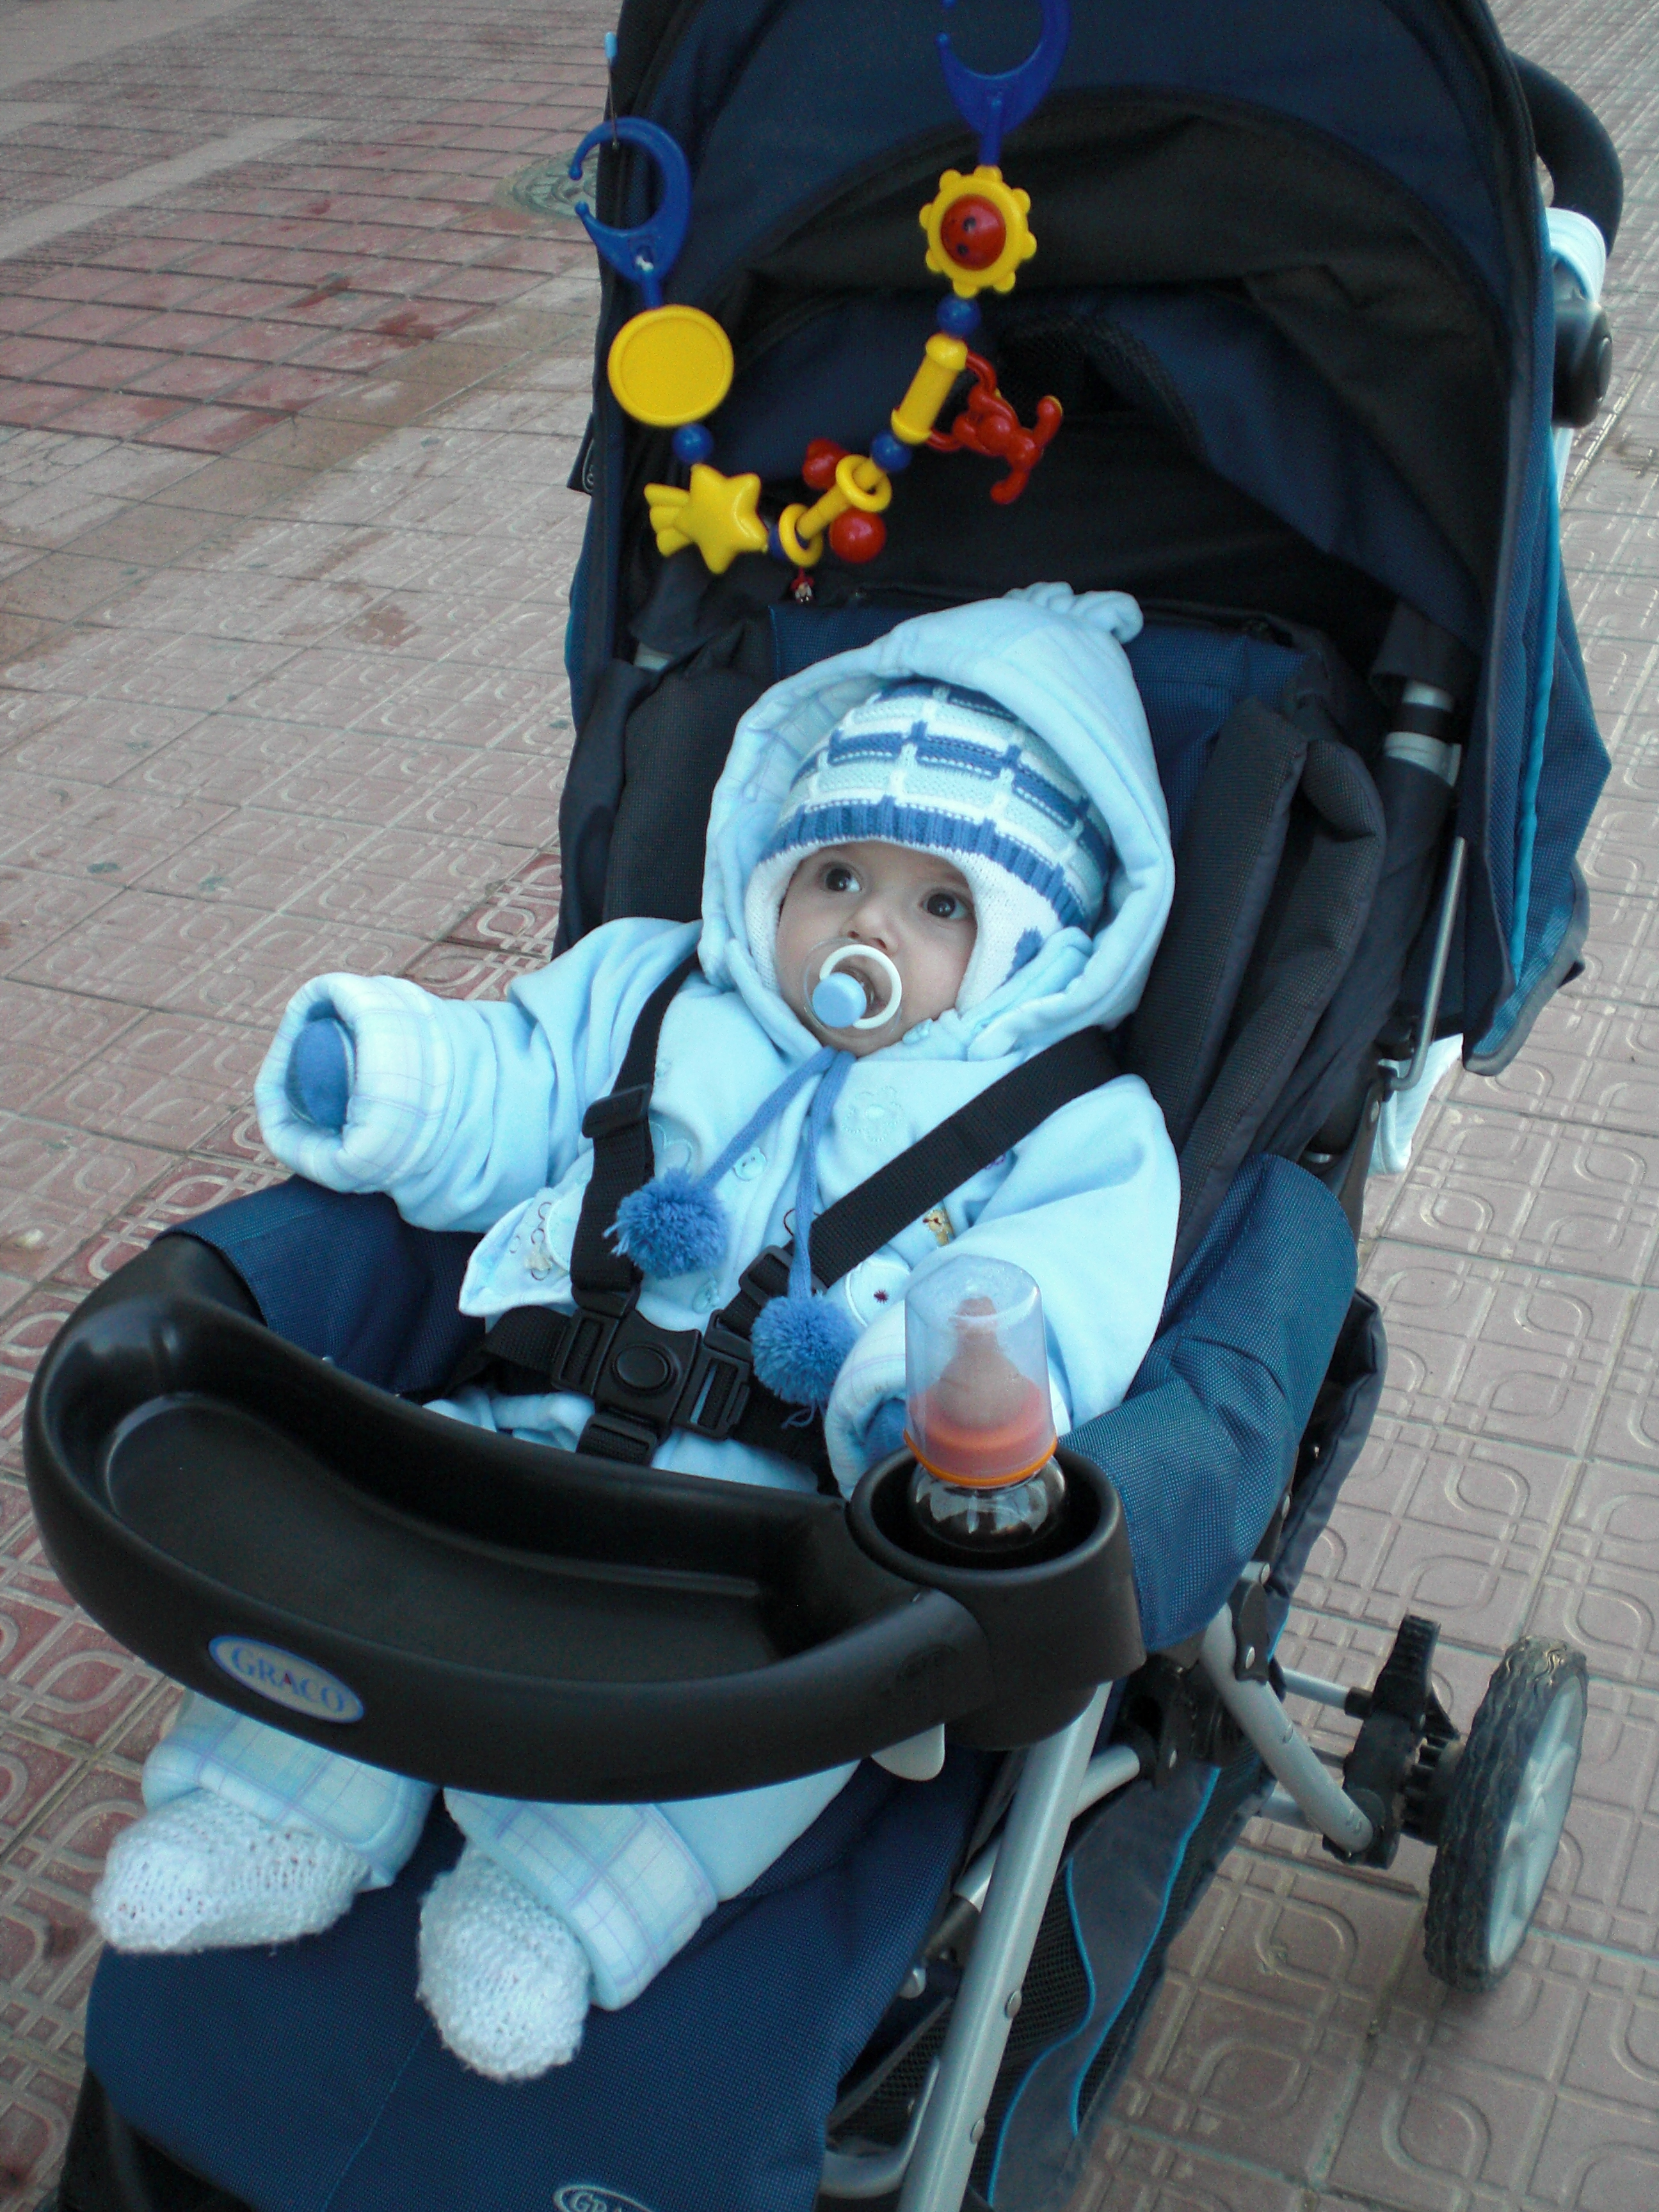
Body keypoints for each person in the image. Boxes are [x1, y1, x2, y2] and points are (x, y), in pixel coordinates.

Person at [90, 583, 1180, 2083]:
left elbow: (1066, 1285)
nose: (869, 924)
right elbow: (518, 1074)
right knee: (365, 1576)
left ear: (1034, 943)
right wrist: (394, 1075)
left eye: (943, 904)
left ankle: (547, 1912)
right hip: (516, 1433)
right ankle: (257, 1818)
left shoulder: (1076, 1122)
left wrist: (926, 1399)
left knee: (753, 1738)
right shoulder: (657, 987)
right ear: (771, 872)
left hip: (768, 1537)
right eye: (837, 873)